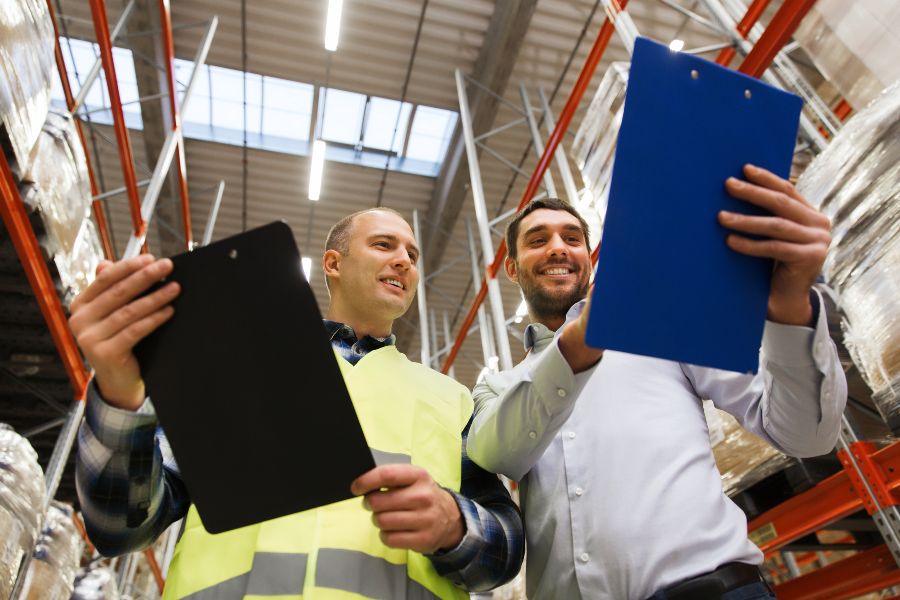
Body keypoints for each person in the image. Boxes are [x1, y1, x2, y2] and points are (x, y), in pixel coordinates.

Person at [70, 207, 524, 599]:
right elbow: (122, 524)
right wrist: (120, 395)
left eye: (412, 254)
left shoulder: (453, 399)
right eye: (385, 245)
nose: (404, 260)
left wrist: (455, 525)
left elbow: (505, 549)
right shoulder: (236, 373)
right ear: (333, 263)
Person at [466, 165, 848, 600]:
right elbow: (496, 452)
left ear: (588, 260)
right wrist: (575, 349)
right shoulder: (499, 386)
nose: (558, 249)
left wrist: (790, 306)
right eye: (539, 240)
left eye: (572, 239)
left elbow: (806, 434)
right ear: (512, 269)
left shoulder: (662, 328)